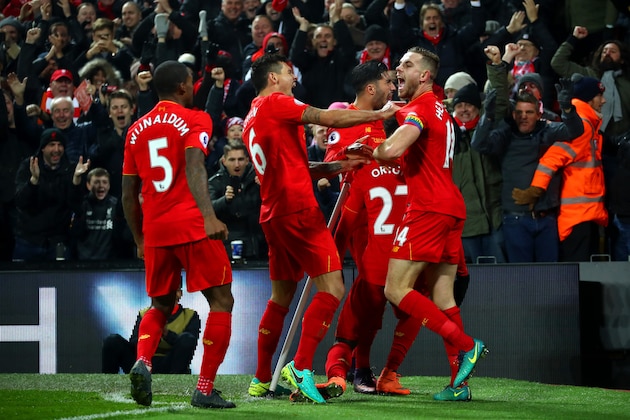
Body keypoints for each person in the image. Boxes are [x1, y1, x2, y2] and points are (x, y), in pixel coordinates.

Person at [243, 53, 396, 403]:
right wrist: (378, 114)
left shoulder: (253, 115)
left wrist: (341, 164)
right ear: (272, 79)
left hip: (273, 213)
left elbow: (298, 166)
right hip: (298, 211)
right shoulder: (276, 103)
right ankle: (300, 366)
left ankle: (260, 377)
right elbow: (325, 117)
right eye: (287, 73)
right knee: (332, 288)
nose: (293, 78)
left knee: (281, 297)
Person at [305, 60, 425, 400]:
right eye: (387, 83)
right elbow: (329, 171)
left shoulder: (383, 123)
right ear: (370, 88)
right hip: (360, 222)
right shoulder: (343, 125)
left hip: (386, 216)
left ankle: (359, 367)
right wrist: (337, 170)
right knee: (371, 299)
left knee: (389, 298)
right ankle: (360, 367)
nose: (392, 88)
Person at [372, 47, 487, 398]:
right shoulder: (441, 109)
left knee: (395, 288)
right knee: (442, 296)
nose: (398, 70)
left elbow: (391, 151)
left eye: (406, 65)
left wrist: (373, 148)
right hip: (451, 206)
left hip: (427, 208)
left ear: (425, 75)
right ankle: (459, 385)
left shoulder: (420, 109)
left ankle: (467, 345)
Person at [121, 60, 235, 409]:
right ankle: (204, 387)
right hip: (191, 224)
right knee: (221, 301)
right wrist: (209, 216)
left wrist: (140, 239)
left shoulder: (136, 129)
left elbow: (127, 193)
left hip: (155, 230)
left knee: (160, 304)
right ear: (184, 87)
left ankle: (142, 361)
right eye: (192, 81)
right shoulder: (195, 118)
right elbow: (194, 165)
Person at [472, 82, 585, 263]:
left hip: (546, 218)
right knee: (521, 276)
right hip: (515, 220)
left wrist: (567, 108)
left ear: (539, 114)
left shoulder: (546, 131)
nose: (523, 117)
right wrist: (488, 116)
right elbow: (478, 144)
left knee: (549, 276)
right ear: (514, 114)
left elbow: (575, 131)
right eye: (519, 113)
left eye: (529, 112)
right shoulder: (505, 134)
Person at [513, 75, 609, 262]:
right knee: (580, 278)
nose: (603, 100)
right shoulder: (583, 127)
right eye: (599, 96)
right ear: (588, 100)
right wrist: (535, 190)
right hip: (578, 218)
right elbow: (551, 159)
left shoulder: (590, 125)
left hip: (586, 215)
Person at [13, 128, 89, 261]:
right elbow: (20, 201)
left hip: (58, 243)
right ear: (42, 148)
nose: (57, 149)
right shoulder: (28, 166)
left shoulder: (71, 169)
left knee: (62, 281)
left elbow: (76, 205)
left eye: (60, 145)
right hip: (28, 242)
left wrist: (76, 180)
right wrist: (33, 181)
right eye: (52, 145)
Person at [450, 83, 505, 264]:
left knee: (500, 277)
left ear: (478, 107)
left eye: (469, 105)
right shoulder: (447, 136)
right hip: (465, 226)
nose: (464, 109)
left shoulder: (489, 131)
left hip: (494, 221)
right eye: (459, 105)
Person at [102, 288, 201, 374]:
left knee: (187, 338)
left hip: (170, 363)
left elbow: (188, 345)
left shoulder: (190, 315)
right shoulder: (144, 314)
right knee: (112, 341)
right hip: (142, 363)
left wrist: (166, 333)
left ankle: (174, 383)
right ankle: (107, 385)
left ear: (179, 293)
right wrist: (150, 335)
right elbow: (133, 343)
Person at [208, 141, 267, 260]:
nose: (237, 164)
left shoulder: (260, 179)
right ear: (223, 161)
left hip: (258, 243)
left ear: (247, 160)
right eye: (232, 160)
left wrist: (266, 189)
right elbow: (207, 210)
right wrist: (224, 200)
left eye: (240, 159)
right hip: (226, 245)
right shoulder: (215, 182)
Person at [70, 167, 130, 261]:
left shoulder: (116, 206)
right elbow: (74, 197)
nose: (101, 186)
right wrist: (76, 177)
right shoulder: (82, 205)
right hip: (83, 263)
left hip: (109, 264)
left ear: (109, 185)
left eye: (104, 182)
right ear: (88, 185)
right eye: (96, 182)